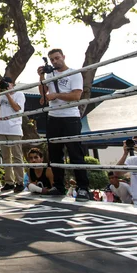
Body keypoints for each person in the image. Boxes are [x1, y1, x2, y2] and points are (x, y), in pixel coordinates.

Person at [37, 48, 91, 201]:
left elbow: (76, 95)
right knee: (54, 154)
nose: (54, 61)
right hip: (53, 117)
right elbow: (43, 94)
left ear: (63, 57)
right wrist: (41, 76)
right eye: (52, 59)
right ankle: (59, 186)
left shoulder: (74, 73)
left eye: (56, 58)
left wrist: (57, 95)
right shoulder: (49, 74)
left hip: (70, 117)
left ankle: (83, 188)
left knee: (76, 153)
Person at [0, 77, 26, 193]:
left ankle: (20, 182)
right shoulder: (1, 95)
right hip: (2, 129)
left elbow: (17, 108)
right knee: (6, 157)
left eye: (8, 83)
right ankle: (9, 182)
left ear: (13, 84)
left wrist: (7, 94)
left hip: (14, 129)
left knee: (17, 156)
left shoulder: (19, 94)